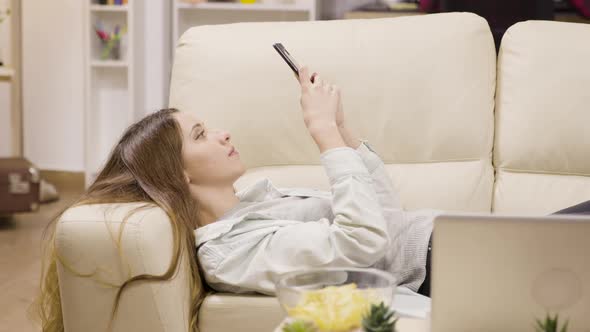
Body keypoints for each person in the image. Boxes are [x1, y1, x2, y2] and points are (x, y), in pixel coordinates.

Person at [32, 66, 588, 331]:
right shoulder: (231, 251)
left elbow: (383, 218)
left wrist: (342, 130)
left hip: (456, 242)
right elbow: (364, 241)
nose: (222, 133)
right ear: (174, 175)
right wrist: (323, 137)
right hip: (451, 262)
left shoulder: (257, 206)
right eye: (200, 135)